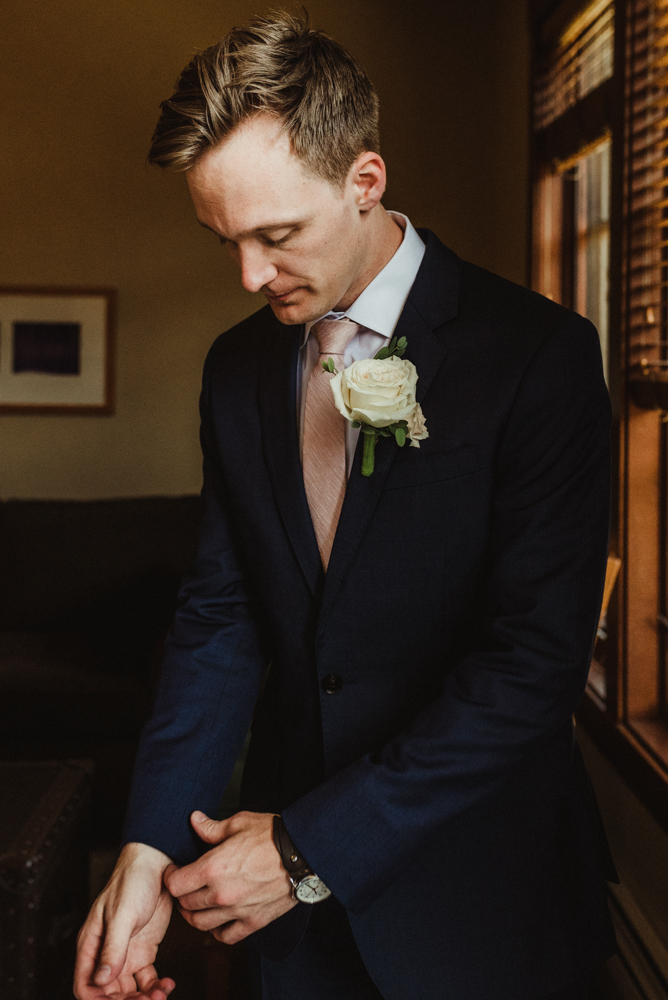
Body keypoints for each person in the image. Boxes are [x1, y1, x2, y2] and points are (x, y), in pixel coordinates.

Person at [73, 10, 617, 1000]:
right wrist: (149, 845)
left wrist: (302, 847)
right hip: (286, 933)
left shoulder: (538, 354)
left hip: (483, 899)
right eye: (224, 239)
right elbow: (220, 615)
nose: (247, 276)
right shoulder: (236, 369)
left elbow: (531, 665)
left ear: (362, 182)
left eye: (275, 235)